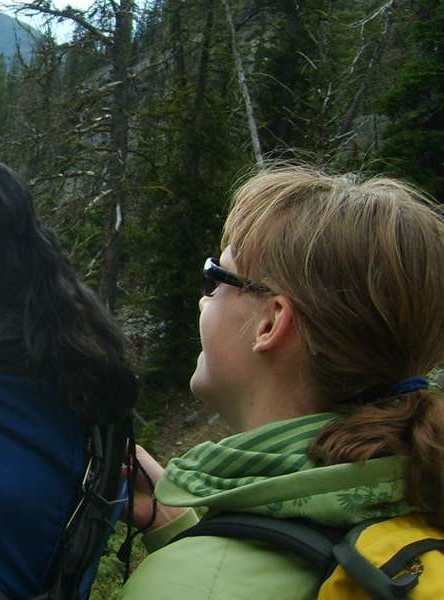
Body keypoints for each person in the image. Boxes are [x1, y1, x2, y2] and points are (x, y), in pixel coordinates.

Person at [121, 165, 444, 598]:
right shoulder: (413, 497)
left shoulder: (192, 587)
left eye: (215, 277)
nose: (203, 298)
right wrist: (172, 525)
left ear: (270, 322)